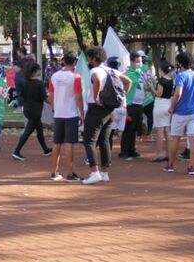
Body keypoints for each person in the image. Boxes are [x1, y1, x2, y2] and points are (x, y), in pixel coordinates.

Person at [81, 46, 132, 186]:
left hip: (97, 108)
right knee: (104, 140)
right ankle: (104, 173)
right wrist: (122, 96)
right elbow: (128, 81)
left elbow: (96, 80)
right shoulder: (112, 70)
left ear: (93, 58)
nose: (89, 60)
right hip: (110, 109)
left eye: (89, 58)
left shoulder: (95, 70)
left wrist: (97, 97)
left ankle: (94, 172)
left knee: (89, 140)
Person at [163, 52, 194, 176]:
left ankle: (170, 165)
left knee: (175, 137)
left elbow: (178, 93)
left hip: (180, 112)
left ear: (180, 63)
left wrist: (172, 107)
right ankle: (192, 166)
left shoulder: (181, 76)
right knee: (193, 138)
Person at [48, 52, 85, 181]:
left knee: (57, 142)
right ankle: (70, 173)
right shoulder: (75, 77)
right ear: (74, 62)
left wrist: (54, 108)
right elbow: (79, 97)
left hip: (58, 113)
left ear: (63, 61)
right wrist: (82, 113)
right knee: (69, 143)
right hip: (71, 113)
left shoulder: (55, 76)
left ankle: (54, 171)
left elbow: (50, 96)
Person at [12, 63, 53, 160]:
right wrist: (54, 103)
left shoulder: (26, 82)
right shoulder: (39, 84)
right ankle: (16, 151)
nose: (40, 71)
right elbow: (44, 98)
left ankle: (45, 149)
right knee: (27, 132)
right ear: (35, 72)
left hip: (28, 109)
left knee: (39, 130)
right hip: (35, 111)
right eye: (39, 70)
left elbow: (22, 95)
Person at [120, 52, 146, 160]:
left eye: (141, 61)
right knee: (128, 128)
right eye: (137, 61)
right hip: (131, 104)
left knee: (135, 128)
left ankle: (132, 149)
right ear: (132, 62)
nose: (140, 63)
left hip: (139, 104)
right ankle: (124, 151)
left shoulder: (141, 73)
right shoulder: (128, 74)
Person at [152, 62, 174, 162]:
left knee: (160, 131)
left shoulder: (161, 81)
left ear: (162, 70)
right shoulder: (172, 80)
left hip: (160, 105)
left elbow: (158, 94)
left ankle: (160, 153)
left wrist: (151, 88)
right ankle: (170, 153)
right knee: (167, 131)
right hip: (168, 103)